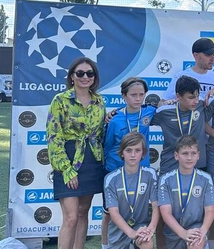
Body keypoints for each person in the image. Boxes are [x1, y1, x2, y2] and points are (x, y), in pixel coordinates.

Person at [46, 57, 105, 249]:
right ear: (72, 76)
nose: (85, 77)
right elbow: (54, 137)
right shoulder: (60, 100)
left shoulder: (99, 101)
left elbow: (100, 133)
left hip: (92, 161)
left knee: (83, 212)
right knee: (71, 217)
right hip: (69, 159)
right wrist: (66, 169)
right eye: (80, 73)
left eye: (90, 73)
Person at [102, 77, 155, 248]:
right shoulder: (114, 119)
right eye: (133, 95)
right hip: (116, 170)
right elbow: (108, 145)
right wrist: (111, 168)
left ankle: (137, 239)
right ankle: (105, 244)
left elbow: (163, 105)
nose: (138, 98)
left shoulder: (149, 111)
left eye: (141, 94)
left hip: (141, 171)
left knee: (140, 209)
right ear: (124, 96)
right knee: (109, 212)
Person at [158, 135, 214, 249]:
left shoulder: (206, 178)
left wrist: (202, 232)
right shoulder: (166, 179)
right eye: (185, 153)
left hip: (197, 228)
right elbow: (166, 213)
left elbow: (210, 210)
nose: (189, 157)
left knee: (196, 244)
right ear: (176, 156)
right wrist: (184, 233)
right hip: (174, 232)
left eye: (193, 153)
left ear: (198, 155)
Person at [104, 132, 159, 249]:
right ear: (122, 153)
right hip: (118, 233)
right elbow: (113, 212)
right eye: (128, 150)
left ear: (143, 153)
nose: (133, 155)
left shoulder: (150, 174)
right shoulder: (111, 178)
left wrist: (150, 229)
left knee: (147, 242)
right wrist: (131, 233)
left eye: (137, 150)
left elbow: (156, 206)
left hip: (140, 227)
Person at [152, 75, 206, 174]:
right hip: (170, 165)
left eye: (197, 96)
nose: (196, 101)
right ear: (178, 96)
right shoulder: (164, 112)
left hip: (197, 165)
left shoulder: (201, 104)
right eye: (191, 97)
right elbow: (141, 119)